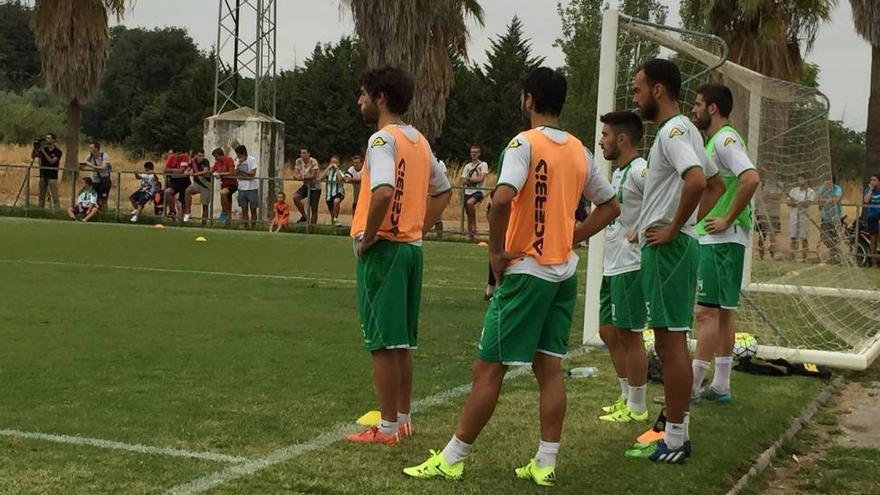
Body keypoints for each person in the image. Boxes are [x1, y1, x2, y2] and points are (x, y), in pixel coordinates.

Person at [404, 67, 619, 486]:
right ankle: (546, 461)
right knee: (549, 369)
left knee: (488, 369)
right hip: (562, 274)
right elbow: (610, 206)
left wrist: (498, 253)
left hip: (527, 273)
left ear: (528, 100)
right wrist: (572, 235)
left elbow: (501, 199)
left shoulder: (523, 144)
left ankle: (452, 458)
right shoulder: (578, 149)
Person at [346, 66, 452, 446]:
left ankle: (387, 427)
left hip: (386, 250)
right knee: (402, 341)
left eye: (363, 93)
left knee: (381, 342)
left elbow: (384, 191)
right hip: (410, 250)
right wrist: (418, 226)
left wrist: (369, 236)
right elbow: (444, 190)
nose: (359, 100)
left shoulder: (381, 141)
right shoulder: (419, 141)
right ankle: (403, 419)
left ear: (381, 98)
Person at [630, 58, 722, 464]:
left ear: (659, 90)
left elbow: (700, 182)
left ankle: (676, 437)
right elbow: (715, 182)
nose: (635, 96)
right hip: (671, 248)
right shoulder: (681, 131)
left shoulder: (674, 130)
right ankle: (672, 427)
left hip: (669, 250)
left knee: (670, 345)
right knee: (669, 341)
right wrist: (687, 229)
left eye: (638, 89)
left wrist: (674, 229)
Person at [691, 83, 760, 405]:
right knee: (722, 313)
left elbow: (750, 177)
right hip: (721, 238)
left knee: (706, 313)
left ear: (713, 108)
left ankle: (690, 387)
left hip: (721, 238)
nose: (694, 110)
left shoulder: (725, 140)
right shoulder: (715, 141)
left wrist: (728, 218)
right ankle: (720, 385)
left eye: (698, 104)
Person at [595, 111, 650, 424]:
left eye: (606, 135)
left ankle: (638, 406)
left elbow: (669, 199)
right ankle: (625, 396)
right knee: (607, 330)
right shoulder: (618, 173)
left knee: (630, 334)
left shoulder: (642, 170)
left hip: (631, 264)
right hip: (612, 263)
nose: (602, 141)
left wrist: (642, 228)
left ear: (622, 138)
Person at [460, 145, 489, 239]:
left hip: (478, 191)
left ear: (479, 154)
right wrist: (472, 179)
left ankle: (474, 225)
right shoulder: (467, 166)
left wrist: (469, 179)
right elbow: (462, 180)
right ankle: (471, 236)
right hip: (467, 191)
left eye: (476, 152)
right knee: (468, 213)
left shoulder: (483, 165)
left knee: (470, 203)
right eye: (472, 152)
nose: (474, 154)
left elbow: (481, 178)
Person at [755, 169, 784, 260]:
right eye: (768, 172)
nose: (770, 174)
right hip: (762, 212)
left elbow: (779, 196)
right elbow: (760, 196)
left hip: (774, 213)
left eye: (772, 172)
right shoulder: (762, 183)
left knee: (773, 235)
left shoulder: (779, 184)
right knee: (761, 235)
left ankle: (773, 254)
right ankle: (761, 254)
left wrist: (769, 195)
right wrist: (770, 195)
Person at [788, 176, 815, 262]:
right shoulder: (793, 190)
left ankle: (804, 258)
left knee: (804, 237)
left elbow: (807, 203)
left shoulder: (810, 191)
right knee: (793, 236)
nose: (801, 181)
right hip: (794, 216)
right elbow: (789, 202)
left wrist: (796, 202)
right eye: (799, 179)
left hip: (804, 217)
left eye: (803, 179)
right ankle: (792, 256)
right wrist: (798, 203)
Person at [33, 133, 63, 210]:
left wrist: (44, 152)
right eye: (46, 138)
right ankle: (40, 211)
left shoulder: (58, 151)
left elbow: (52, 161)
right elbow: (33, 156)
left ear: (54, 140)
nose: (47, 140)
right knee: (41, 196)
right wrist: (36, 148)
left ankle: (57, 212)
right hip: (43, 175)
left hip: (52, 176)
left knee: (54, 196)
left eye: (49, 138)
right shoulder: (43, 149)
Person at [184, 150, 212, 225]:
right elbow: (186, 171)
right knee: (187, 190)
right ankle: (188, 211)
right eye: (200, 156)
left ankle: (203, 224)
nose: (201, 157)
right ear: (195, 156)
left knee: (205, 206)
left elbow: (205, 171)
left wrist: (195, 174)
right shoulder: (192, 162)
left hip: (206, 186)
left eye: (203, 156)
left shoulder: (206, 161)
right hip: (197, 184)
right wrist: (187, 172)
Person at [818, 175, 843, 261]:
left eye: (828, 181)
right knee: (824, 237)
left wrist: (831, 200)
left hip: (836, 217)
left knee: (835, 237)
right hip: (825, 217)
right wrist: (828, 200)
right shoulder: (822, 188)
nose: (826, 182)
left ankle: (835, 255)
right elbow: (818, 199)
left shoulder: (838, 189)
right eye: (825, 180)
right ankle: (834, 251)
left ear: (832, 182)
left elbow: (838, 198)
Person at [81, 141, 112, 211]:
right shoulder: (90, 156)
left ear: (96, 148)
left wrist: (90, 165)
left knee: (104, 199)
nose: (90, 149)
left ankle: (104, 215)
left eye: (91, 148)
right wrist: (81, 165)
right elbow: (83, 166)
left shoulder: (104, 156)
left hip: (104, 180)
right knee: (94, 199)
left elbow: (103, 167)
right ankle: (96, 213)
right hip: (95, 181)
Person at [234, 145, 259, 230]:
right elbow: (235, 173)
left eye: (239, 155)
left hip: (252, 188)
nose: (238, 157)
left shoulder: (252, 160)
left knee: (253, 209)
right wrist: (238, 167)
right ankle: (246, 228)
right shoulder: (237, 161)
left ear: (243, 154)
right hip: (242, 188)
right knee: (244, 210)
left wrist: (241, 170)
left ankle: (253, 227)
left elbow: (252, 174)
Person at [293, 148, 321, 224]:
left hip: (315, 187)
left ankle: (312, 227)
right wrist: (297, 176)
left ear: (309, 154)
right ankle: (304, 216)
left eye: (304, 153)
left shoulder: (313, 161)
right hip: (306, 185)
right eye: (301, 153)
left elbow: (313, 175)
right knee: (295, 197)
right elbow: (295, 174)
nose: (303, 155)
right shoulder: (298, 161)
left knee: (314, 208)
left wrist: (301, 177)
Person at [211, 148, 238, 226]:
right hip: (224, 185)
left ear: (220, 155)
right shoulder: (217, 163)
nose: (215, 159)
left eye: (216, 157)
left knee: (222, 193)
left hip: (232, 184)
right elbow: (212, 169)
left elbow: (231, 172)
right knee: (227, 200)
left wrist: (220, 174)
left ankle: (224, 212)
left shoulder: (229, 159)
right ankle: (228, 223)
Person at [163, 150, 190, 220]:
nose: (177, 156)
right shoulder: (171, 158)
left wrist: (171, 170)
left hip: (184, 182)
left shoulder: (185, 157)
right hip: (174, 182)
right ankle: (173, 212)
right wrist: (176, 170)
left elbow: (181, 171)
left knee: (183, 203)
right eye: (176, 154)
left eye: (179, 154)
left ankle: (182, 221)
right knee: (167, 192)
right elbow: (165, 170)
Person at [321, 155, 346, 225]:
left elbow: (341, 178)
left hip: (339, 192)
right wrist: (328, 168)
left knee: (336, 201)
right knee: (332, 214)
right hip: (329, 194)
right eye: (332, 162)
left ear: (338, 163)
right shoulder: (328, 171)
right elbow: (321, 178)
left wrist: (337, 169)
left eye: (335, 162)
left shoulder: (341, 170)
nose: (333, 164)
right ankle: (334, 226)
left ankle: (335, 219)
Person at [863, 174, 880, 266]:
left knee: (878, 240)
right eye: (871, 180)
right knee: (873, 240)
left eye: (874, 180)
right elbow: (866, 200)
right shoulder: (868, 190)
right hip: (872, 217)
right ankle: (873, 262)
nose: (872, 182)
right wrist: (870, 190)